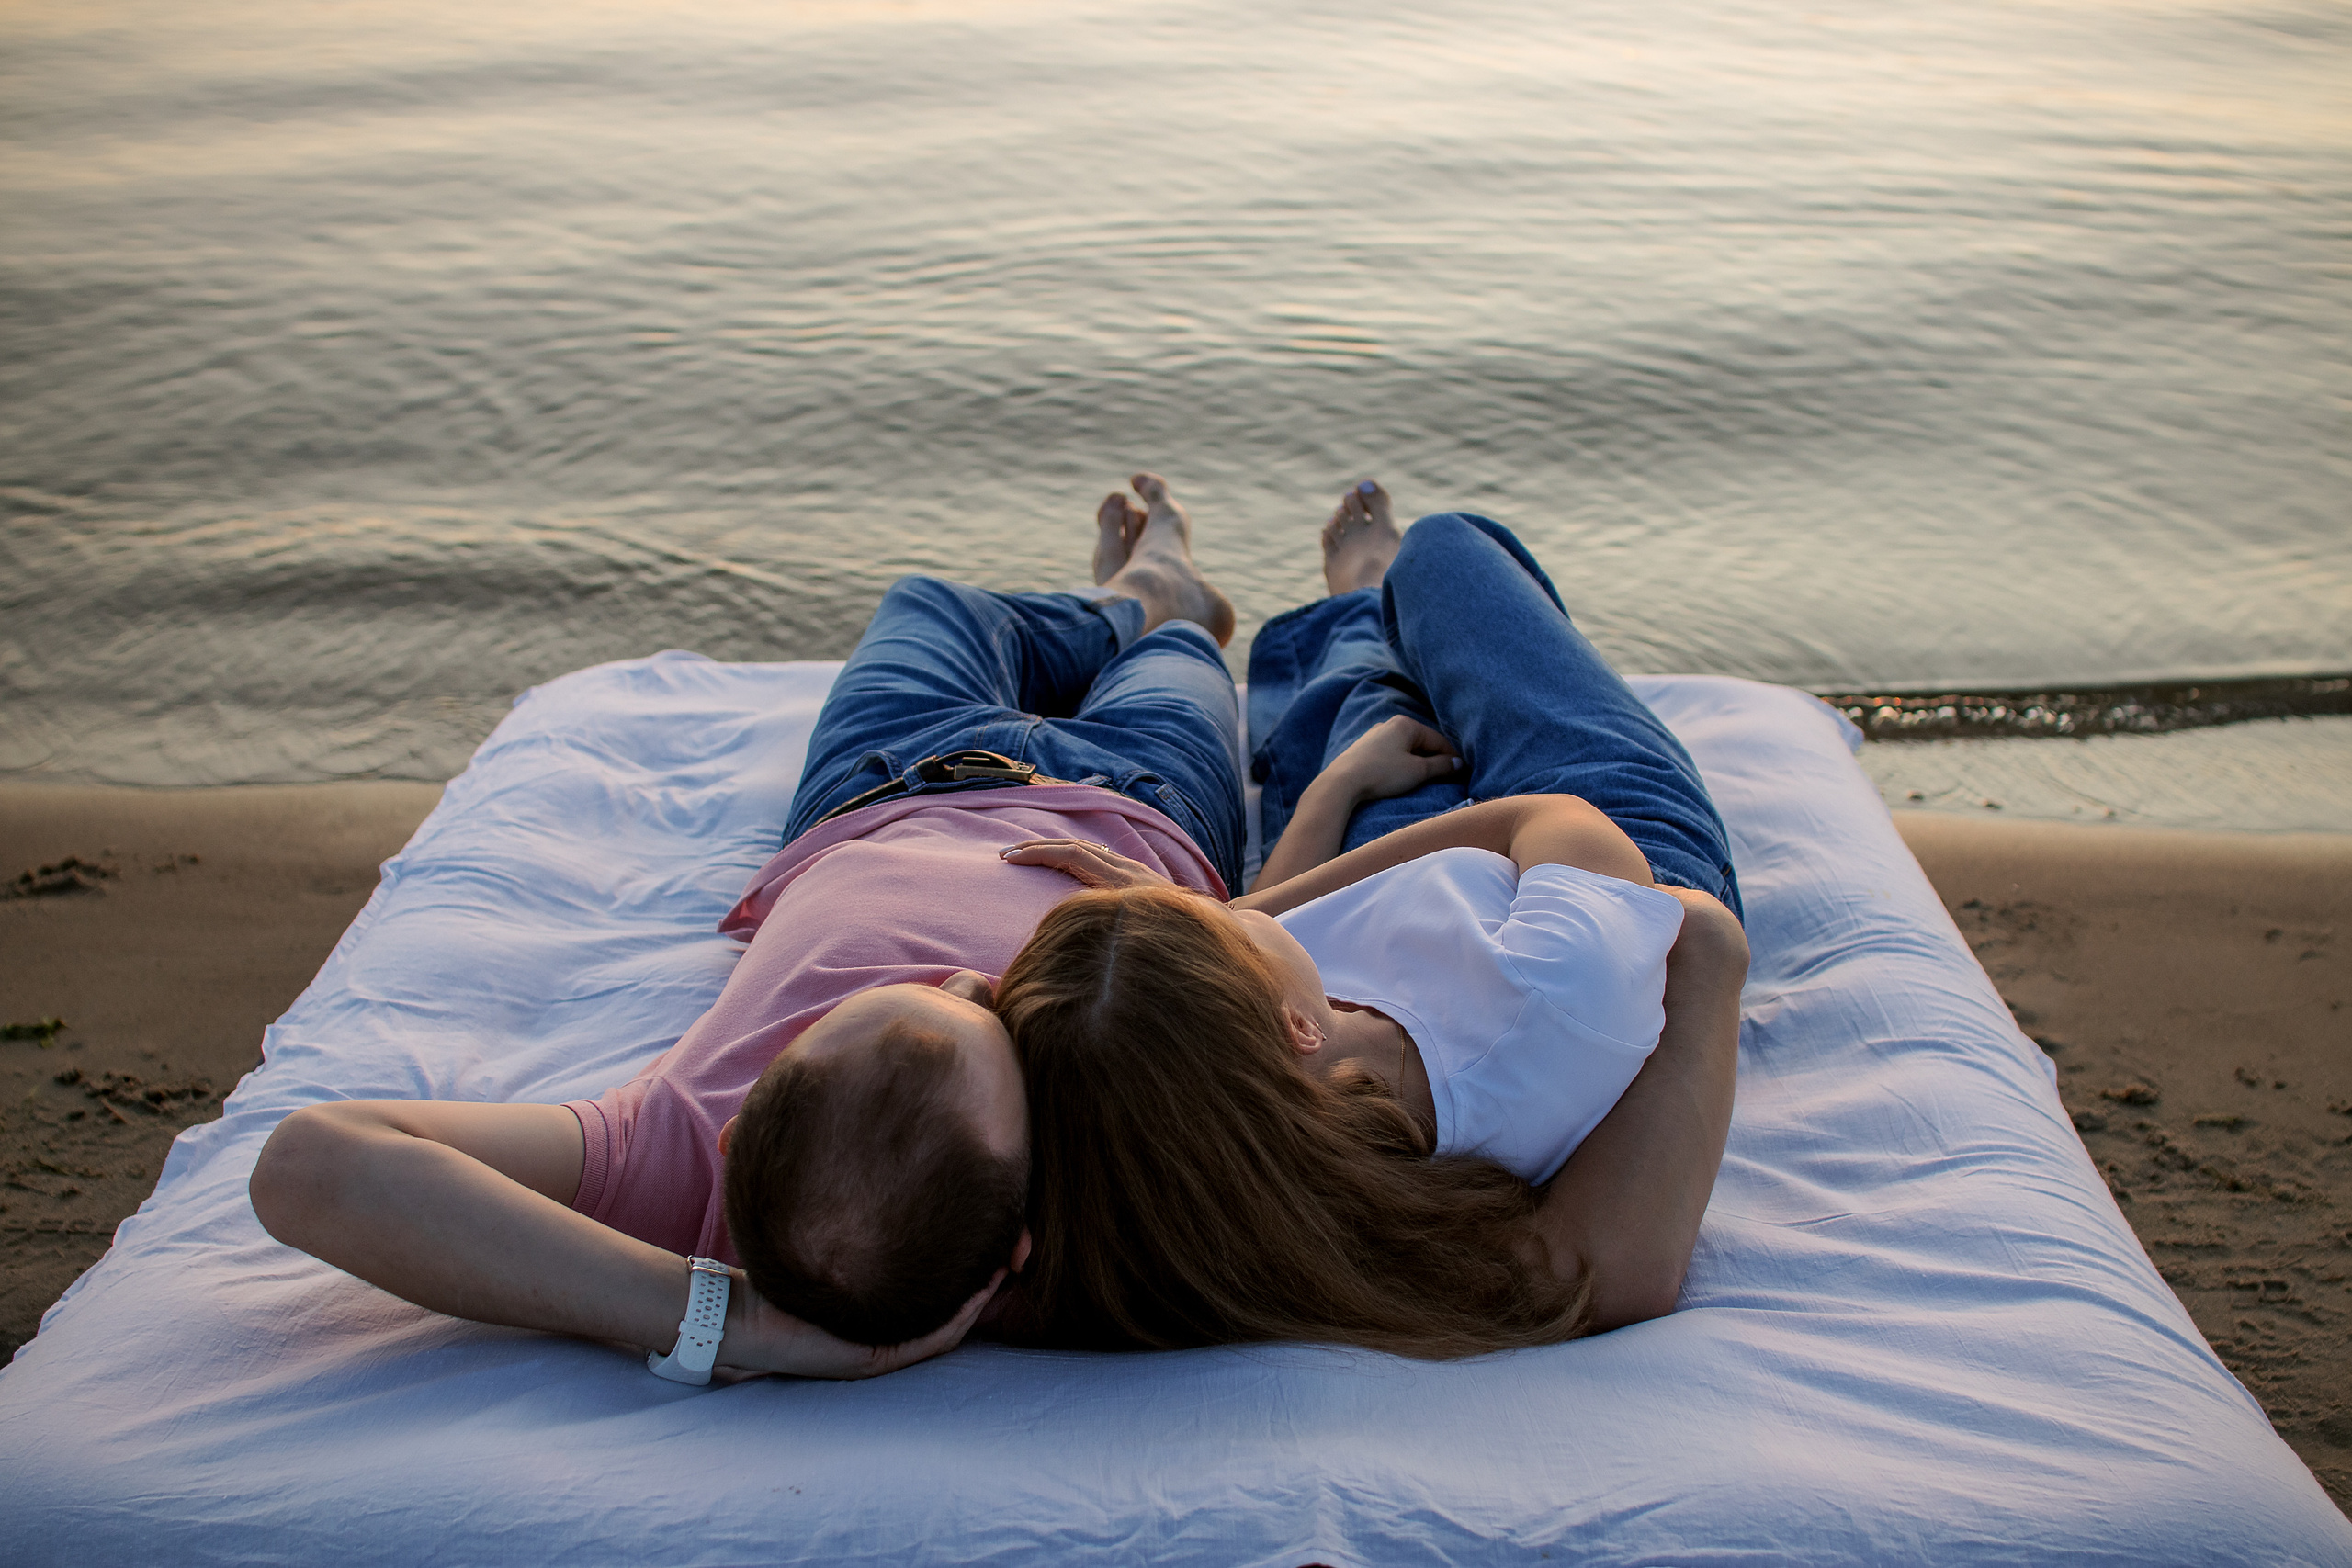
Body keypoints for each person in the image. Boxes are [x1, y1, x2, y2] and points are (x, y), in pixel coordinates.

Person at [249, 473, 1246, 1380]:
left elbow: (311, 1164)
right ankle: (1157, 602)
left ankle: (1120, 598)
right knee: (1181, 650)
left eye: (832, 1016)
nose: (956, 978)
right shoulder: (1086, 1179)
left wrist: (713, 1321)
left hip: (883, 785)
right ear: (1018, 1242)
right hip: (1142, 806)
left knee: (937, 603)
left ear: (741, 1131)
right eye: (992, 1007)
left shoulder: (674, 1149)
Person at [991, 481, 1751, 1359]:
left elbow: (1279, 946)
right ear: (1298, 1025)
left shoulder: (1240, 1116)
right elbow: (1539, 820)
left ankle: (1346, 616)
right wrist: (1226, 916)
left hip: (1460, 908)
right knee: (1445, 555)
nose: (1230, 913)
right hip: (1619, 869)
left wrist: (1334, 790)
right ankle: (1371, 581)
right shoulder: (1546, 999)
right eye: (1223, 927)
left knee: (1366, 723)